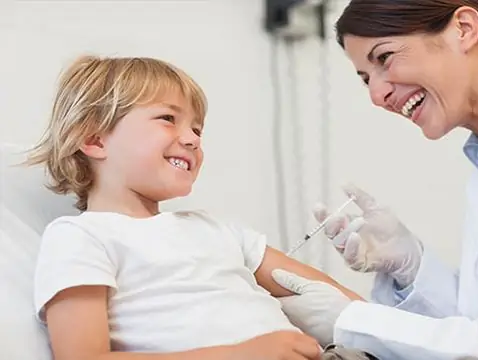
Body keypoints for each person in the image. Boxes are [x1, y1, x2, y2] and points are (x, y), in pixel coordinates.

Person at [270, 0, 478, 359]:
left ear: (463, 28)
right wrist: (413, 268)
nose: (377, 95)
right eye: (366, 79)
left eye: (383, 58)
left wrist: (352, 320)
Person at [26, 55, 370, 360]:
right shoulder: (81, 237)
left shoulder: (217, 229)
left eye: (196, 128)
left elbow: (347, 306)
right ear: (94, 140)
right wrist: (238, 355)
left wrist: (384, 326)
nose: (192, 139)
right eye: (167, 118)